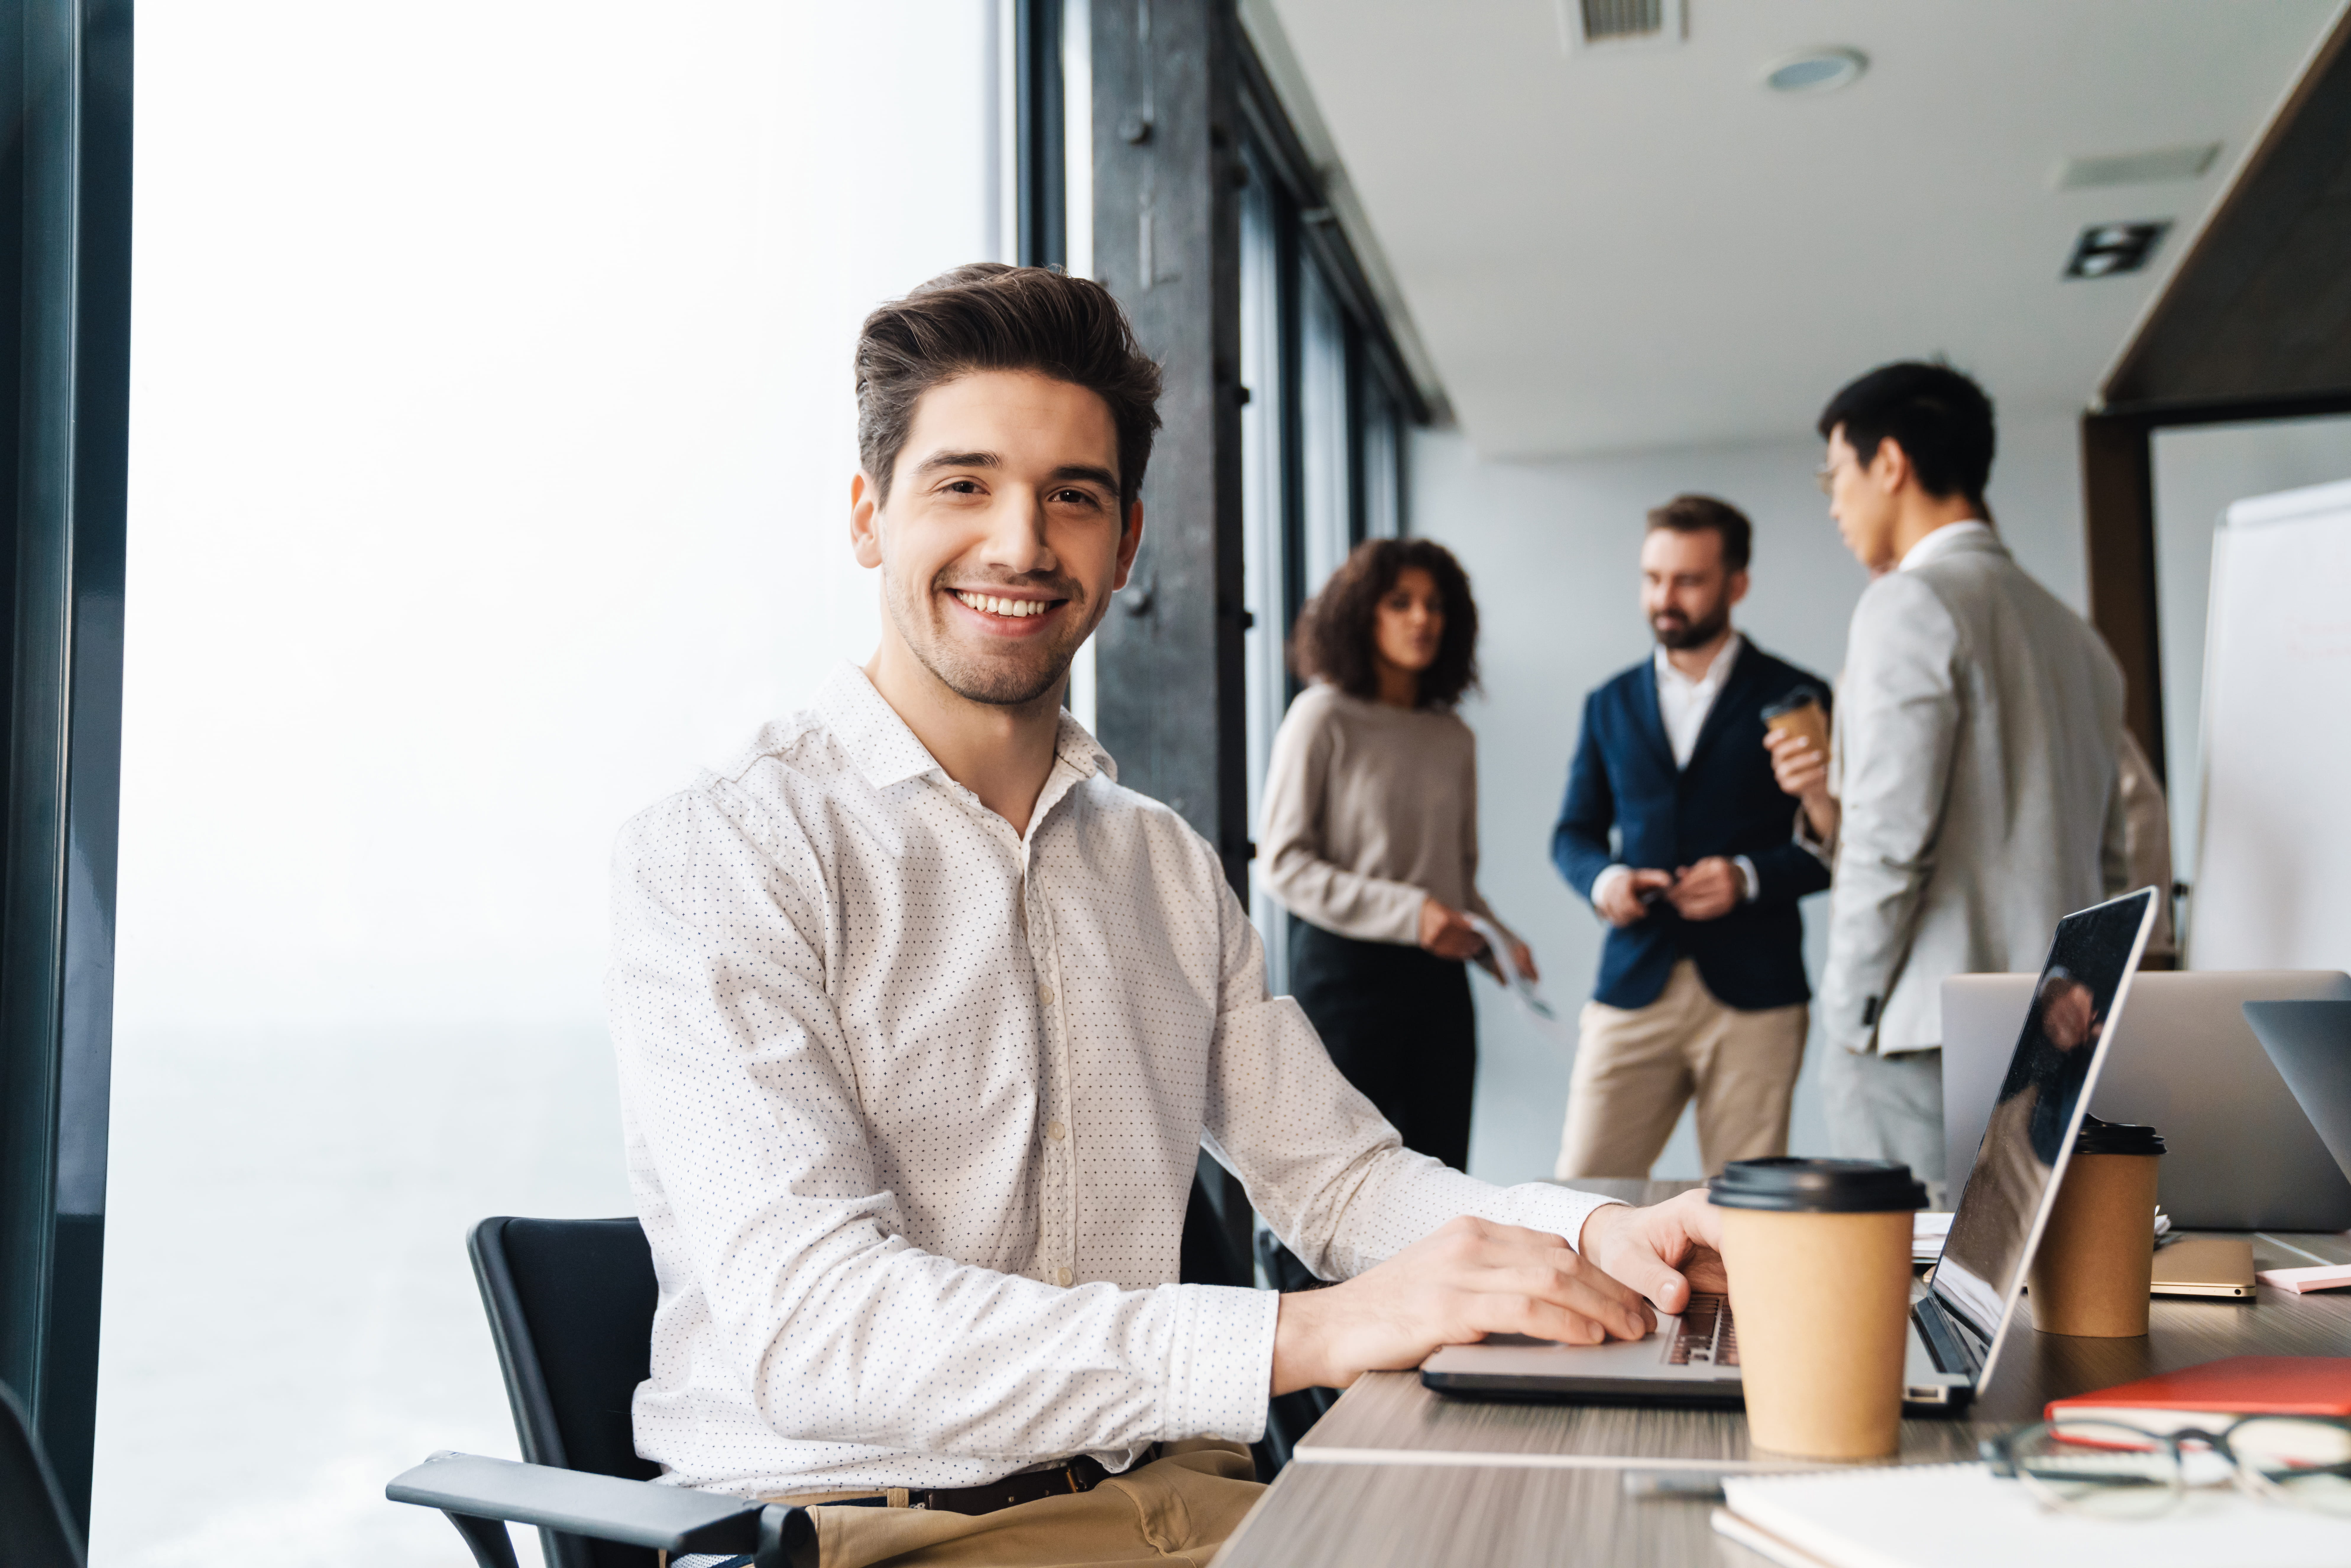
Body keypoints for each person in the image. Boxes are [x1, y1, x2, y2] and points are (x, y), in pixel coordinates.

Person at [606, 263, 1726, 1568]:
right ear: (868, 516)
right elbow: (820, 1331)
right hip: (877, 1533)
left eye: (1071, 498)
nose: (1020, 543)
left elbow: (1341, 1178)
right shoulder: (726, 846)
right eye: (963, 484)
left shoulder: (1163, 866)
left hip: (1177, 1501)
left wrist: (1590, 1231)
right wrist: (1298, 1337)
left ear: (1125, 543)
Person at [1806, 361, 2129, 1183]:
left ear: (1890, 464)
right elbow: (2116, 856)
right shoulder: (2079, 639)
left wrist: (1845, 1013)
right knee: (2022, 1294)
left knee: (1907, 1299)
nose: (1834, 503)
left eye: (1835, 474)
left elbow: (1886, 838)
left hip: (1921, 1038)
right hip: (2057, 1032)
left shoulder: (1908, 605)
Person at [1550, 495, 1835, 1179]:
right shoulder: (1608, 702)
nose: (1664, 598)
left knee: (1748, 1213)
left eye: (1687, 580)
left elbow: (1832, 844)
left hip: (1757, 997)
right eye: (1653, 578)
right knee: (1579, 1194)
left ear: (1736, 584)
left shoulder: (1799, 693)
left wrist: (1747, 876)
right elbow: (1572, 833)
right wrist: (1606, 881)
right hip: (1633, 980)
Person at [1257, 538, 1531, 1173]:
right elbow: (1284, 864)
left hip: (1439, 984)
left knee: (1440, 1171)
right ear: (1362, 613)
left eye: (1435, 606)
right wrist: (1412, 914)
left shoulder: (1453, 737)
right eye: (1400, 602)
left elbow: (1456, 882)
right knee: (1347, 1176)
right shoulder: (1321, 716)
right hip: (1346, 978)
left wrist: (1497, 942)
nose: (1421, 619)